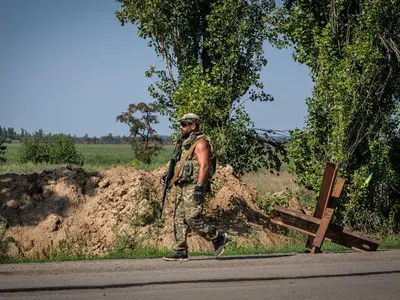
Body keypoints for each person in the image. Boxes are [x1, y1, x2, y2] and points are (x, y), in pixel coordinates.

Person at [161, 113, 228, 261]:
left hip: (193, 185)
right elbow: (179, 164)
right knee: (178, 218)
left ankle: (217, 237)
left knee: (192, 217)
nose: (181, 127)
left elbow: (204, 166)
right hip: (182, 184)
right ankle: (180, 250)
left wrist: (199, 186)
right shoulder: (184, 143)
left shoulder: (201, 143)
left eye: (184, 124)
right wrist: (167, 177)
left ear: (193, 126)